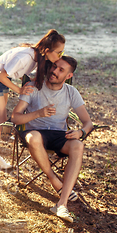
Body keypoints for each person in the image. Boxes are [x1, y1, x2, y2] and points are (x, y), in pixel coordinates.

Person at [0, 29, 66, 176]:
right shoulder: (25, 57)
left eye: (62, 53)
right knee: (0, 122)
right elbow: (1, 76)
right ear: (46, 49)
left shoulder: (38, 56)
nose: (59, 56)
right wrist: (19, 90)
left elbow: (18, 72)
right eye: (59, 52)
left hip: (2, 81)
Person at [11, 56, 93, 222]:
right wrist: (38, 113)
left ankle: (61, 205)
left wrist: (81, 133)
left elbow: (88, 122)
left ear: (68, 76)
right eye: (54, 66)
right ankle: (54, 180)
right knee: (33, 137)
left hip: (58, 134)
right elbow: (15, 118)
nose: (54, 71)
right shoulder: (33, 87)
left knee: (77, 145)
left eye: (61, 70)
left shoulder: (71, 92)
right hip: (35, 131)